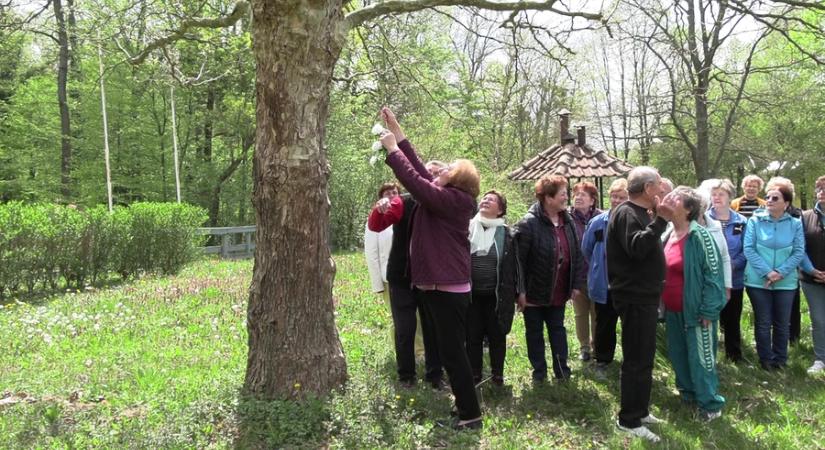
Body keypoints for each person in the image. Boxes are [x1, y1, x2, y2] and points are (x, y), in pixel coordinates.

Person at [379, 106, 483, 430]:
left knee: (453, 354)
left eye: (450, 167)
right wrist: (398, 132)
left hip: (446, 290)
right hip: (439, 288)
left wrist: (393, 151)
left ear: (459, 178)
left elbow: (416, 180)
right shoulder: (446, 195)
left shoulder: (455, 201)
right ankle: (467, 410)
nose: (442, 167)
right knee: (452, 352)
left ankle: (470, 415)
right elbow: (422, 172)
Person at [606, 166, 672, 443]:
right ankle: (629, 420)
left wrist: (656, 218)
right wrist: (661, 221)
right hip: (633, 297)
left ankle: (641, 410)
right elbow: (636, 248)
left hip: (645, 296)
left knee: (644, 357)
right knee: (635, 360)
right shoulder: (626, 213)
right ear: (647, 189)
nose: (661, 191)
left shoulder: (641, 213)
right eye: (658, 185)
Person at [369, 172, 444, 390]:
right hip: (401, 277)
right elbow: (376, 225)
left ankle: (435, 375)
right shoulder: (404, 201)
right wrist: (380, 206)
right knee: (405, 328)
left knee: (431, 328)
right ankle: (406, 377)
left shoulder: (444, 203)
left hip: (430, 277)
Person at [660, 187, 726, 421]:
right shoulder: (667, 234)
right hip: (673, 311)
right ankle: (689, 396)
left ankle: (710, 405)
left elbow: (714, 277)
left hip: (697, 312)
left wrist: (708, 310)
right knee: (678, 355)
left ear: (688, 209)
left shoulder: (701, 236)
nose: (669, 199)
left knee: (702, 359)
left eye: (676, 198)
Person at [514, 174, 585, 382]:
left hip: (559, 290)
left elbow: (577, 253)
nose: (566, 197)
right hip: (534, 292)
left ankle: (562, 371)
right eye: (563, 194)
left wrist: (576, 284)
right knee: (534, 332)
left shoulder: (568, 220)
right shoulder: (528, 224)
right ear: (548, 198)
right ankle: (539, 373)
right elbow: (518, 262)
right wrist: (521, 291)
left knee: (558, 329)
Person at [743, 184, 805, 371]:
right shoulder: (754, 221)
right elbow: (749, 249)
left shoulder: (795, 224)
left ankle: (781, 359)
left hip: (786, 282)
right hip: (758, 280)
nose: (769, 200)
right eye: (768, 197)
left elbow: (798, 251)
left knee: (782, 323)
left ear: (786, 203)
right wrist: (767, 272)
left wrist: (781, 272)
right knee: (763, 322)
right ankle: (766, 360)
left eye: (775, 198)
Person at [466, 190, 518, 386]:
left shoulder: (507, 234)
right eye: (485, 198)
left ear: (500, 210)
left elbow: (516, 266)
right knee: (473, 335)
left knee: (497, 335)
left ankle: (497, 375)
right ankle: (474, 374)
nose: (486, 200)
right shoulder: (468, 228)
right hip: (471, 294)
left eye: (492, 199)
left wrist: (520, 292)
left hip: (498, 295)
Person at [582, 178, 628, 378]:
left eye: (621, 197)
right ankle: (602, 360)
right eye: (614, 196)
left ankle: (631, 361)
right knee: (604, 323)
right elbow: (587, 248)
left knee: (629, 325)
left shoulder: (633, 221)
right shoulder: (598, 222)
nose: (616, 200)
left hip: (627, 285)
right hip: (604, 283)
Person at [703, 178, 748, 363]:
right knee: (709, 318)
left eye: (721, 194)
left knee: (732, 319)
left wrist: (732, 265)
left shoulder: (741, 221)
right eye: (714, 194)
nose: (716, 198)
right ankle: (709, 356)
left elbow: (747, 249)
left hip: (735, 278)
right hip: (709, 278)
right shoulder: (703, 219)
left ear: (730, 197)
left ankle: (734, 355)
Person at [765, 177, 804, 345]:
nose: (772, 199)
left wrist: (782, 270)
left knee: (792, 304)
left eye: (778, 194)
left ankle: (793, 337)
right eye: (770, 193)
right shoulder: (761, 215)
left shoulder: (797, 215)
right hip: (765, 270)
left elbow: (799, 247)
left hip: (789, 270)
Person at [568, 181, 602, 362]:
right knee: (580, 313)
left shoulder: (601, 217)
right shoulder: (566, 218)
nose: (578, 197)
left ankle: (597, 346)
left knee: (597, 313)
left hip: (597, 275)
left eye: (583, 195)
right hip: (577, 275)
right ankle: (584, 347)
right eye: (576, 194)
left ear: (592, 200)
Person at [800, 175, 825, 374]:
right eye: (819, 188)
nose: (821, 192)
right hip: (811, 279)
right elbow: (799, 248)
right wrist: (811, 270)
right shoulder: (805, 216)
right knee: (819, 319)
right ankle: (821, 359)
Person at [365, 182, 399, 304]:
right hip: (388, 278)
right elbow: (371, 254)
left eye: (394, 193)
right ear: (381, 198)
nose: (391, 196)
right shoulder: (374, 220)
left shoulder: (408, 214)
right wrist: (378, 285)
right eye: (387, 193)